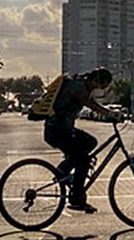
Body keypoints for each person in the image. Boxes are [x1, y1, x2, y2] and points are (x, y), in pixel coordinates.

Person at [44, 67, 116, 213]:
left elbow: (90, 102)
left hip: (63, 130)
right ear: (95, 80)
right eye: (101, 86)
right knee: (83, 160)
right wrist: (109, 113)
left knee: (90, 142)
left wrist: (109, 112)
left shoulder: (82, 85)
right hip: (57, 131)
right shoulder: (78, 87)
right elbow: (90, 104)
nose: (99, 90)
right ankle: (77, 199)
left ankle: (62, 171)